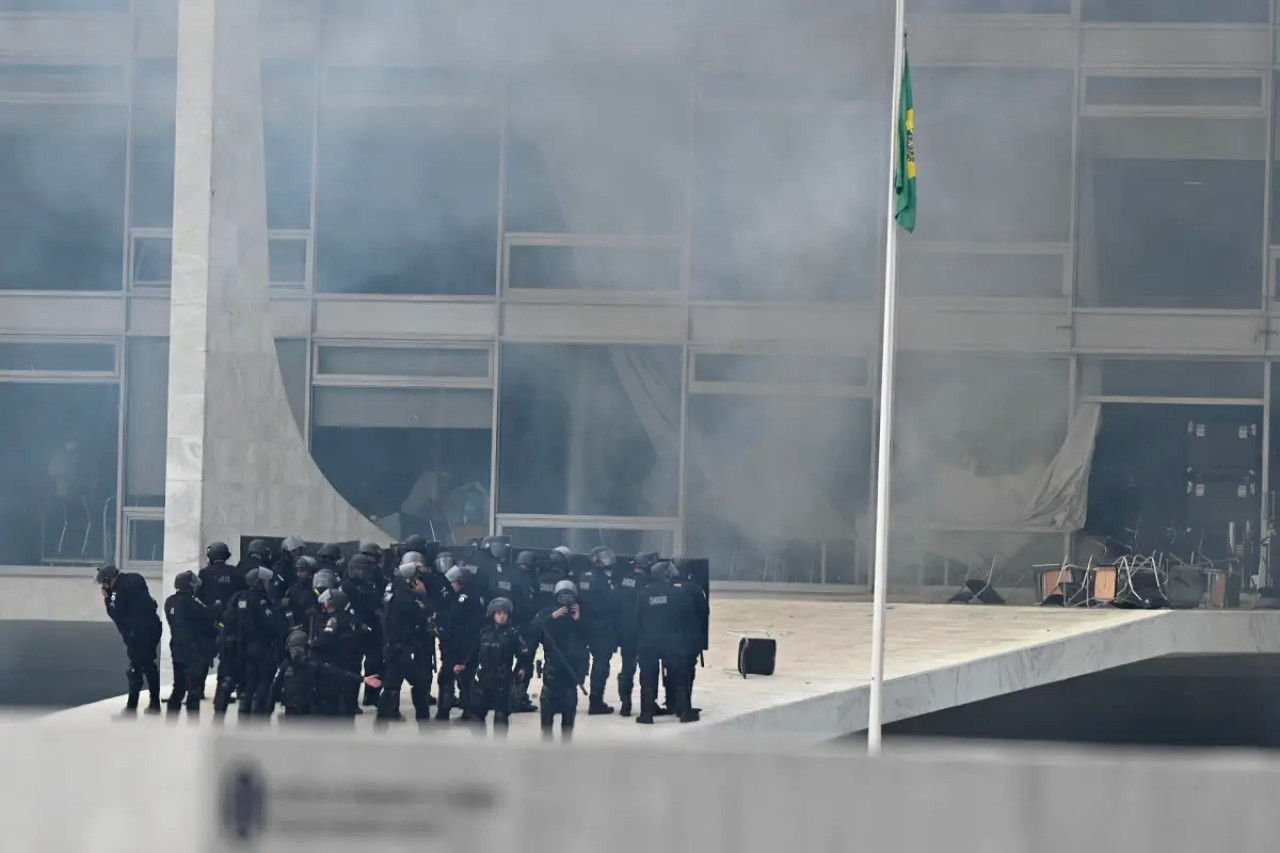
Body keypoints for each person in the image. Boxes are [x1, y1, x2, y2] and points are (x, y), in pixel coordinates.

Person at [635, 561, 698, 725]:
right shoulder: (679, 593)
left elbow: (638, 618)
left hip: (648, 642)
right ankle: (684, 712)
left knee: (648, 678)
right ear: (667, 575)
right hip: (674, 641)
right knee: (679, 676)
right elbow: (689, 616)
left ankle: (646, 713)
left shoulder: (644, 594)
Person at [96, 564, 163, 715]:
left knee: (135, 670)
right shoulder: (136, 578)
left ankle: (132, 709)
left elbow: (116, 613)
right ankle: (154, 704)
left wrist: (107, 599)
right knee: (148, 666)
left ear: (109, 580)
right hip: (153, 628)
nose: (103, 586)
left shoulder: (118, 591)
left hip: (138, 635)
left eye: (104, 583)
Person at [271, 630, 380, 721]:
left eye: (299, 648)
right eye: (293, 649)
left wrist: (362, 679)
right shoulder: (285, 667)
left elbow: (339, 674)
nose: (295, 652)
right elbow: (274, 688)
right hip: (291, 710)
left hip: (310, 710)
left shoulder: (314, 666)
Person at [376, 563, 435, 724]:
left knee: (391, 685)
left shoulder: (392, 595)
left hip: (393, 647)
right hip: (401, 650)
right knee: (417, 684)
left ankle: (383, 718)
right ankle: (422, 719)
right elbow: (427, 611)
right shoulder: (406, 600)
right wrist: (423, 595)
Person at [531, 579, 589, 741]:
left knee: (569, 711)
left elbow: (589, 637)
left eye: (570, 598)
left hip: (572, 671)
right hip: (553, 668)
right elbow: (533, 628)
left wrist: (579, 621)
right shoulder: (549, 613)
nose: (566, 601)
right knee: (547, 712)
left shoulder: (578, 616)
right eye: (563, 597)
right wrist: (551, 617)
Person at [461, 597, 527, 736]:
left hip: (503, 680)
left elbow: (523, 658)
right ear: (492, 615)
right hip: (484, 678)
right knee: (476, 715)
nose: (501, 617)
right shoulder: (483, 633)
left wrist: (519, 673)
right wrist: (463, 665)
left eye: (504, 613)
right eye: (498, 613)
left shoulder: (513, 634)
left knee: (501, 716)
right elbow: (473, 652)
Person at [163, 570, 218, 715]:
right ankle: (192, 727)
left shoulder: (170, 601)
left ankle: (170, 721)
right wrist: (217, 607)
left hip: (177, 649)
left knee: (178, 688)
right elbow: (208, 616)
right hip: (193, 651)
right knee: (193, 690)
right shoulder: (192, 601)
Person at [237, 567, 289, 718]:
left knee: (250, 680)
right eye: (266, 582)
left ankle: (244, 710)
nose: (269, 585)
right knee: (265, 679)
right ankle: (259, 711)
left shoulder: (243, 599)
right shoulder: (260, 600)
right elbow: (269, 623)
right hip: (262, 647)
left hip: (247, 648)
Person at [436, 565, 484, 722]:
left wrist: (437, 616)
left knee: (453, 677)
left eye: (454, 582)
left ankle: (447, 711)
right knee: (467, 677)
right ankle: (470, 710)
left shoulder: (464, 597)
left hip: (460, 642)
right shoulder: (477, 594)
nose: (452, 585)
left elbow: (454, 615)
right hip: (471, 642)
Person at [309, 587, 363, 719]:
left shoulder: (334, 619)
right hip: (349, 657)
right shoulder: (349, 617)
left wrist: (311, 644)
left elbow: (326, 637)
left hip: (335, 658)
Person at [341, 554, 385, 710]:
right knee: (353, 665)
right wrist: (358, 623)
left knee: (375, 663)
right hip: (355, 630)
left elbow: (376, 603)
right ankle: (351, 701)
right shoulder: (346, 586)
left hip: (373, 629)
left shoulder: (370, 585)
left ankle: (372, 696)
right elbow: (345, 609)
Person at [578, 546, 619, 715]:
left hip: (582, 625)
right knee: (601, 663)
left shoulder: (582, 575)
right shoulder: (603, 579)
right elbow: (612, 602)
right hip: (601, 627)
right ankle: (596, 701)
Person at [613, 553, 653, 716]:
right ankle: (647, 705)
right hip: (643, 631)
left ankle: (625, 703)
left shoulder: (623, 580)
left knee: (627, 667)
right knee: (646, 669)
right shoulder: (647, 583)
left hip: (624, 631)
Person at [501, 550, 538, 714]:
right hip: (525, 626)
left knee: (504, 662)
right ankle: (517, 698)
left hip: (506, 626)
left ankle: (502, 696)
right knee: (525, 662)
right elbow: (530, 603)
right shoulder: (529, 579)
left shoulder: (506, 576)